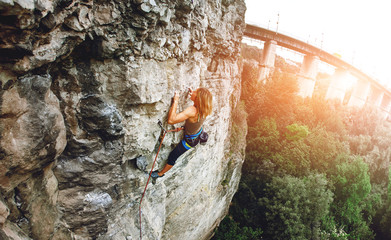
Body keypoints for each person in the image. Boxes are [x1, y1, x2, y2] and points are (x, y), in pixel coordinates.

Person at [151, 87, 213, 178]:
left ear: (198, 99)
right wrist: (194, 95)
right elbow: (196, 120)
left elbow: (171, 120)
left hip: (190, 141)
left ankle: (160, 174)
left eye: (195, 92)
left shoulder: (192, 110)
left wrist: (176, 101)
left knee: (173, 156)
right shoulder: (205, 109)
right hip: (197, 133)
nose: (193, 92)